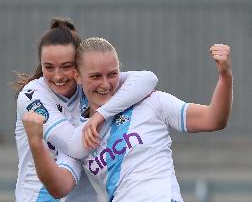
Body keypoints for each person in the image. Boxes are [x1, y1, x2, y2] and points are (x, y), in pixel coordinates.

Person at [22, 37, 232, 202]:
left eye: (112, 74)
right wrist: (36, 143)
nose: (105, 84)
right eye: (95, 76)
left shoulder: (150, 101)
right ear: (77, 76)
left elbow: (213, 119)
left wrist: (225, 77)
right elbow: (58, 188)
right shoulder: (78, 135)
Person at [14, 18, 158, 202]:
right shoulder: (31, 96)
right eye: (48, 67)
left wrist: (100, 115)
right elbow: (75, 147)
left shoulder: (92, 86)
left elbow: (147, 79)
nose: (57, 76)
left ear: (78, 69)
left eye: (66, 66)